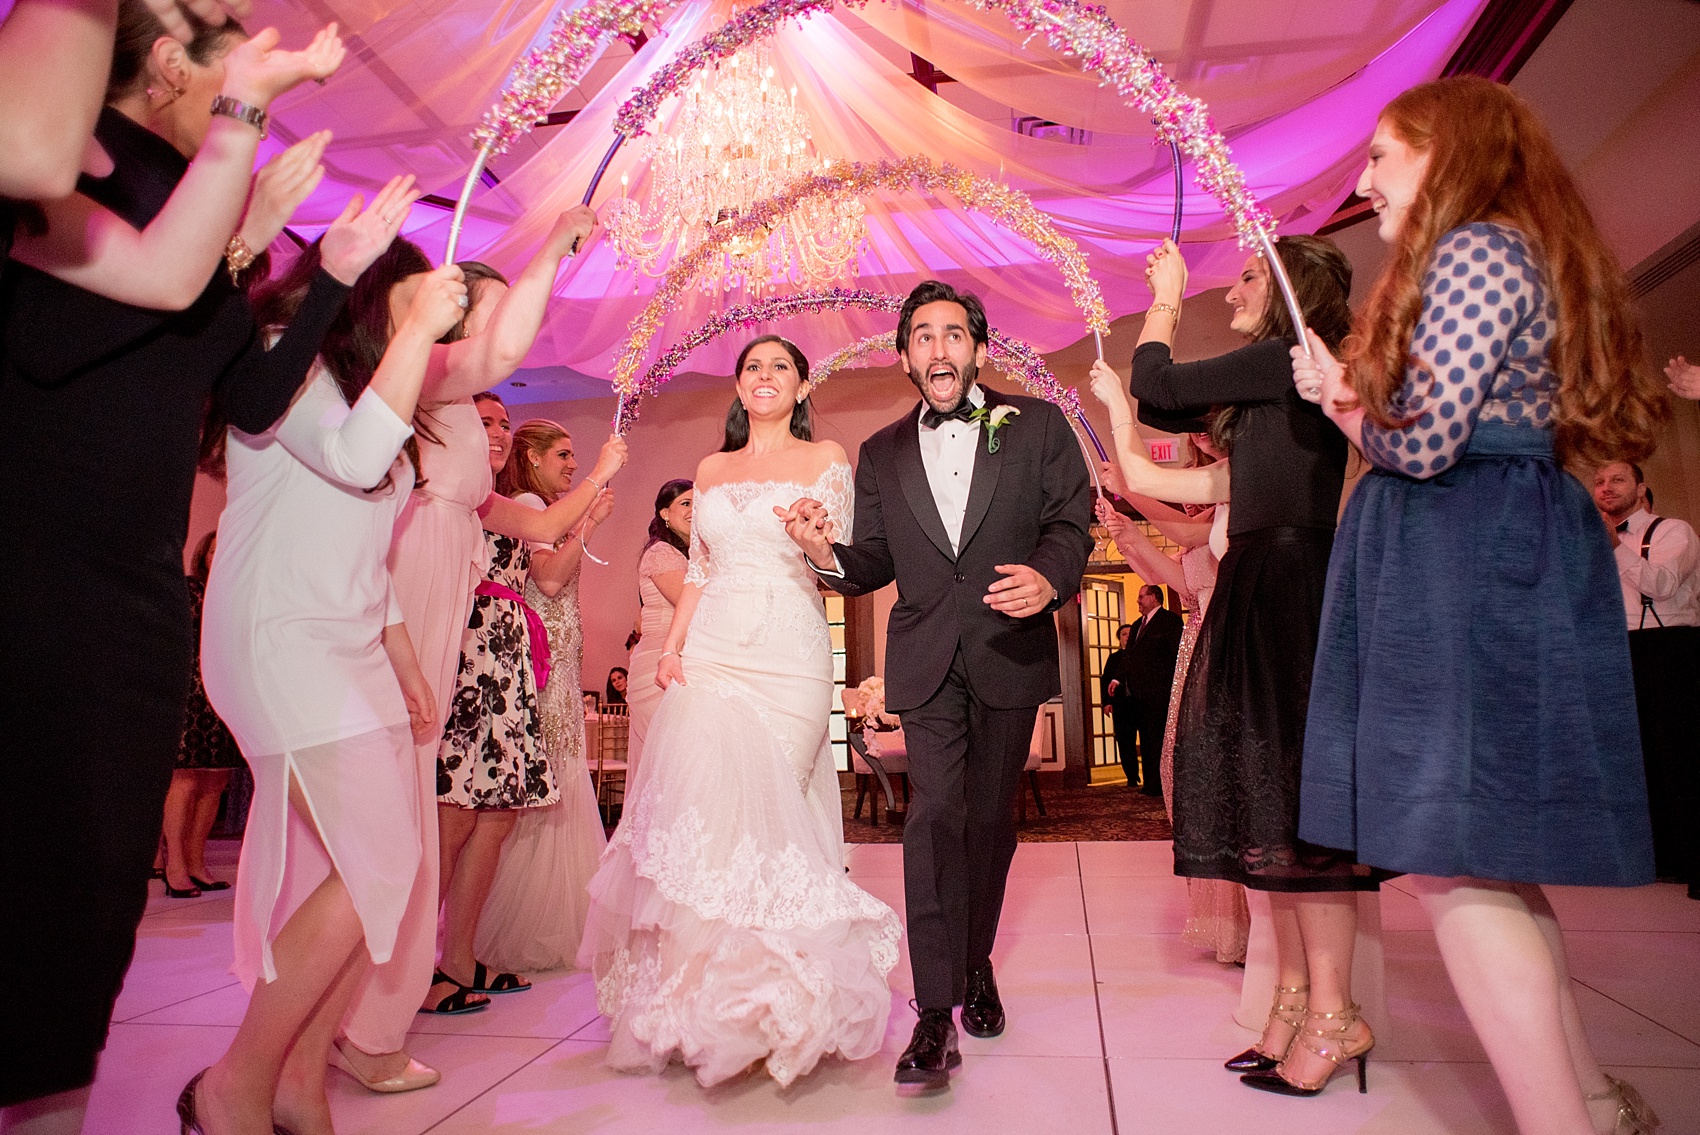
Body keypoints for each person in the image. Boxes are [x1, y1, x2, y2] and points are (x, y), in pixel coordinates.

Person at [1291, 76, 1666, 1132]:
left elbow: (1420, 441)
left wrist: (1340, 402)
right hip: (1494, 544)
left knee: (1452, 868)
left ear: (1442, 150)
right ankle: (1589, 1101)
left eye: (1377, 155)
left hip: (1456, 554)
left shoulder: (1473, 249)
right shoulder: (1512, 249)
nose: (1361, 181)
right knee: (1485, 860)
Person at [0, 8, 344, 1124]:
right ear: (163, 64)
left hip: (129, 585)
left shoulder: (182, 194)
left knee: (90, 902)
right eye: (223, 46)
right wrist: (241, 175)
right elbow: (72, 332)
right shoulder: (70, 158)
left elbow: (237, 398)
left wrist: (311, 271)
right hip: (41, 568)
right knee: (44, 887)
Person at [337, 212, 624, 1088]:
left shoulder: (456, 405)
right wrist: (545, 253)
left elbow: (534, 522)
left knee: (411, 814)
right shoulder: (419, 382)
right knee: (395, 812)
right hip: (403, 577)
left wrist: (604, 481)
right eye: (486, 315)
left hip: (439, 587)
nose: (503, 338)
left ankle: (373, 1020)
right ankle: (361, 1018)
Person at [782, 281, 1093, 1089]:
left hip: (1007, 650)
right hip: (923, 662)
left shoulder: (1038, 426)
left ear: (979, 349)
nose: (939, 348)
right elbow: (875, 559)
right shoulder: (880, 451)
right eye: (922, 336)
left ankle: (978, 959)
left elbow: (1071, 519)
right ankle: (931, 1011)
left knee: (989, 823)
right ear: (906, 356)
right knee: (933, 818)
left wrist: (1050, 578)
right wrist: (825, 552)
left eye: (954, 334)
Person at [195, 221, 468, 1135]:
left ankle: (297, 1087)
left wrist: (400, 658)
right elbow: (350, 463)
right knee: (379, 863)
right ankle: (233, 1082)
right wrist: (425, 331)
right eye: (408, 306)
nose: (420, 326)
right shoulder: (288, 356)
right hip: (280, 640)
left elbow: (364, 548)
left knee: (371, 877)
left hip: (347, 646)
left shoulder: (366, 389)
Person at [580, 335, 900, 1088]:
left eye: (779, 367)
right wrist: (672, 647)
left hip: (788, 649)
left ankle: (779, 998)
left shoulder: (826, 457)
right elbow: (699, 568)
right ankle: (710, 1006)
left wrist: (815, 539)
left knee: (774, 815)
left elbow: (839, 561)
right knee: (712, 816)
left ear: (800, 383)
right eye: (753, 366)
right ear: (738, 382)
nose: (764, 377)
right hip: (715, 650)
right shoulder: (713, 469)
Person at [1093, 230, 1370, 1097]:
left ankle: (1333, 1013)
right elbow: (1161, 437)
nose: (1234, 290)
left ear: (1296, 294)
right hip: (1264, 581)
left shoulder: (1290, 353)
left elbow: (1159, 385)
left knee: (1295, 809)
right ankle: (1292, 1000)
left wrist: (1166, 294)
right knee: (1265, 803)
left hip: (1287, 585)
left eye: (1250, 276)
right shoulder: (1271, 392)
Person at [1094, 427, 1248, 966]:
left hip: (1225, 646)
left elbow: (1182, 540)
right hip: (1197, 642)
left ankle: (1251, 922)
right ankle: (1230, 922)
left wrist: (1130, 493)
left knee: (1217, 780)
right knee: (1178, 773)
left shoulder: (1237, 497)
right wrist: (1127, 533)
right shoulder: (1207, 521)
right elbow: (1179, 576)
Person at [474, 416, 615, 974]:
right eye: (563, 454)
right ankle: (532, 921)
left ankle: (555, 913)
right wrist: (589, 525)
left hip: (555, 652)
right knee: (549, 781)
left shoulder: (536, 503)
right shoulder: (530, 502)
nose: (573, 465)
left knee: (558, 776)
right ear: (532, 459)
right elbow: (551, 579)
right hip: (543, 659)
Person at [1593, 462, 1700, 899]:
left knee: (1680, 755)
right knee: (1637, 758)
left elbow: (1661, 584)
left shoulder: (1672, 530)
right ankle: (1662, 859)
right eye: (1598, 481)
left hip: (1669, 646)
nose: (1605, 487)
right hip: (1618, 650)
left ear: (1641, 489)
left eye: (1617, 479)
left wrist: (1613, 545)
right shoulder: (1592, 544)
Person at [161, 531, 243, 899]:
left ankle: (196, 862)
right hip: (191, 693)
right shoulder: (190, 589)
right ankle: (173, 866)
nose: (219, 553)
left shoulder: (240, 593)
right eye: (213, 548)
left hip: (227, 692)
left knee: (215, 782)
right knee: (186, 780)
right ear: (204, 554)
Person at [626, 478, 693, 782]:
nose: (695, 510)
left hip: (681, 659)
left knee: (679, 762)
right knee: (671, 762)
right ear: (665, 513)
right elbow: (690, 606)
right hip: (658, 664)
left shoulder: (687, 555)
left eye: (698, 504)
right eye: (686, 503)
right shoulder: (662, 553)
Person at [1113, 584, 1183, 796]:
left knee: (1159, 739)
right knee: (1146, 739)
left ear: (1154, 597)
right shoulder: (1136, 625)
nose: (1138, 601)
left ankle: (1163, 784)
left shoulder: (1170, 621)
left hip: (1160, 692)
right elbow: (1129, 656)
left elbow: (1176, 655)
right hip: (1138, 694)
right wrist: (1119, 678)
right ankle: (1151, 782)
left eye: (1142, 596)